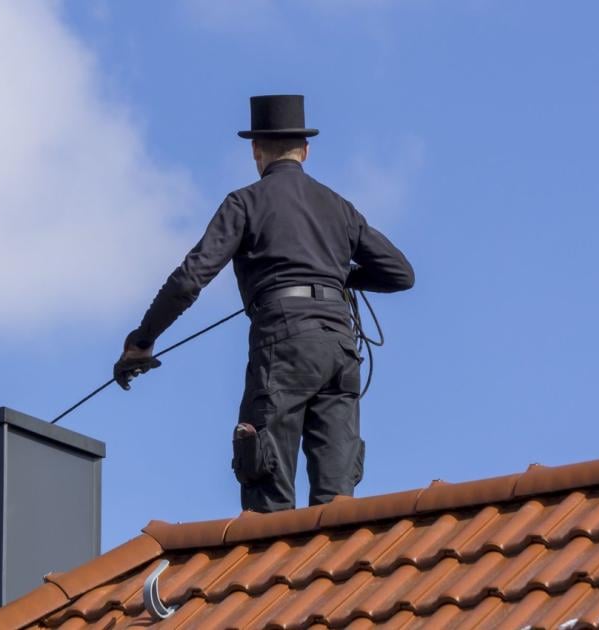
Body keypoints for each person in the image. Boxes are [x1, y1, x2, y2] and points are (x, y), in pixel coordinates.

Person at [114, 95, 414, 513]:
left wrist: (142, 340)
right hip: (340, 350)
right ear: (305, 151)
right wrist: (336, 277)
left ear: (256, 150)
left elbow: (189, 280)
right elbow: (401, 273)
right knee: (338, 504)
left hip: (283, 346)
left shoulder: (245, 203)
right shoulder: (339, 207)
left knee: (267, 494)